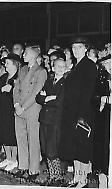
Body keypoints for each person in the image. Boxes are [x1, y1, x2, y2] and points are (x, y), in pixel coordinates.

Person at [59, 36, 97, 188]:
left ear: (86, 48)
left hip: (82, 113)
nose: (75, 50)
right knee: (74, 146)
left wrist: (81, 115)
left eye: (79, 47)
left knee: (82, 148)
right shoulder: (76, 65)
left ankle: (83, 180)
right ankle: (77, 177)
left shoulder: (88, 66)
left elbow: (88, 93)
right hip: (72, 112)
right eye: (74, 48)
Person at [13, 46, 47, 182]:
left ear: (34, 55)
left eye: (26, 53)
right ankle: (23, 166)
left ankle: (33, 169)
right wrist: (16, 104)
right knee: (20, 138)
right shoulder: (22, 70)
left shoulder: (41, 71)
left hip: (32, 109)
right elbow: (16, 88)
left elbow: (36, 92)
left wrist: (23, 107)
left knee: (33, 140)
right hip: (19, 108)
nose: (23, 55)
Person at [35, 59, 66, 186]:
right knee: (46, 148)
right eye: (58, 66)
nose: (60, 68)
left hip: (56, 120)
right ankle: (52, 175)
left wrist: (47, 98)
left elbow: (60, 101)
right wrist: (49, 98)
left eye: (63, 67)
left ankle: (57, 177)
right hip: (45, 119)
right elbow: (38, 97)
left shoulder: (66, 83)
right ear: (53, 68)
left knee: (53, 149)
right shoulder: (48, 81)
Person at [0, 53, 20, 171]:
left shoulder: (18, 77)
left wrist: (11, 89)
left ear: (15, 64)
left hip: (11, 110)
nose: (5, 66)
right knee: (4, 134)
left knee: (12, 135)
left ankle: (14, 159)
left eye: (8, 63)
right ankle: (8, 157)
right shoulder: (4, 77)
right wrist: (2, 88)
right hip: (1, 109)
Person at [92, 54, 111, 188]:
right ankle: (102, 178)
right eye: (106, 63)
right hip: (102, 118)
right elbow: (94, 96)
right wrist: (101, 99)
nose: (108, 66)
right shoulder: (102, 79)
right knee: (101, 146)